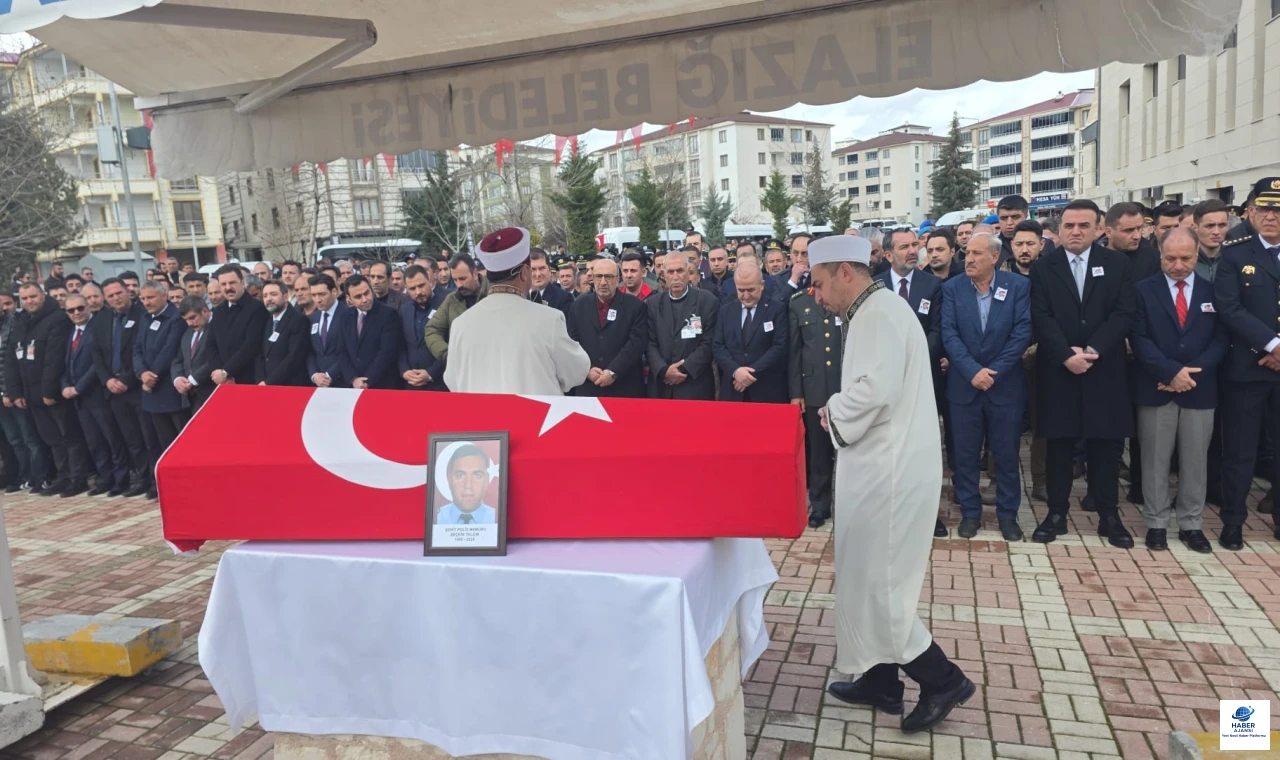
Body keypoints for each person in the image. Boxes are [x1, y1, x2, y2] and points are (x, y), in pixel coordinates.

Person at [809, 234, 975, 733]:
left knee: (882, 586)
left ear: (844, 272)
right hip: (880, 464)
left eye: (818, 284)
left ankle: (943, 679)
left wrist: (832, 410)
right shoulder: (871, 309)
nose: (816, 296)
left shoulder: (878, 313)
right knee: (864, 575)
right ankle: (880, 682)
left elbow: (875, 390)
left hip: (892, 471)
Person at [1029, 199, 1136, 548]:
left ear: (1099, 229)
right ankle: (1056, 514)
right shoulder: (1045, 267)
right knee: (1058, 444)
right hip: (1058, 370)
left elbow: (1123, 314)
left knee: (1105, 446)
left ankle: (1109, 515)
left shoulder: (1116, 264)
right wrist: (1064, 354)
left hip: (1103, 369)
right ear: (1059, 230)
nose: (1076, 232)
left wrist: (1092, 351)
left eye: (1084, 226)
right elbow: (1040, 316)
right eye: (1069, 226)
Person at [1129, 228, 1227, 553]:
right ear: (1160, 255)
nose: (1178, 265)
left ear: (1198, 256)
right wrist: (1170, 372)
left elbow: (1220, 340)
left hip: (1199, 389)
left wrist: (1190, 374)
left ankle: (1191, 524)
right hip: (1156, 387)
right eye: (1171, 258)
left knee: (1196, 461)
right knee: (1154, 460)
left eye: (1186, 258)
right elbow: (1138, 338)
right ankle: (1156, 522)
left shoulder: (1214, 292)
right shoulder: (1143, 291)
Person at [940, 233, 1032, 541]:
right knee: (965, 456)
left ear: (994, 258)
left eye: (977, 254)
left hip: (1003, 385)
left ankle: (1008, 515)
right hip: (965, 387)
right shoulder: (952, 288)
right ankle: (970, 513)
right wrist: (972, 371)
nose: (969, 259)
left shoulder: (1018, 287)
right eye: (967, 253)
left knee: (1005, 455)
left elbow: (1022, 332)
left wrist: (993, 371)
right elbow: (949, 333)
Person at [1212, 177, 1280, 550]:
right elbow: (1229, 307)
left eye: (1278, 209)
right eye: (1265, 208)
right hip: (1247, 368)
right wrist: (1271, 345)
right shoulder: (1234, 253)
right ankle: (1233, 520)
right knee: (1240, 450)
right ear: (1251, 212)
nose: (1272, 216)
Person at [444, 228, 589, 395]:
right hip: (535, 419)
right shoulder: (549, 319)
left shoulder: (461, 323)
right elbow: (577, 371)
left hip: (481, 420)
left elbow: (453, 381)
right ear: (524, 273)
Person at [7, 283, 89, 497]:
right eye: (25, 298)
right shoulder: (22, 322)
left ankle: (77, 478)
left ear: (42, 295)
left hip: (52, 394)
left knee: (69, 436)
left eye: (33, 296)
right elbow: (12, 359)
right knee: (51, 439)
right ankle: (63, 476)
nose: (29, 301)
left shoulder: (58, 319)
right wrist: (15, 392)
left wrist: (49, 391)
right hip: (31, 395)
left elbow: (54, 359)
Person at [788, 274, 842, 528]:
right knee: (818, 453)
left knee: (847, 451)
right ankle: (820, 506)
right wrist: (796, 392)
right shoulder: (798, 303)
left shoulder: (845, 298)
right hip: (814, 388)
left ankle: (846, 504)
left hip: (844, 386)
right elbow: (795, 351)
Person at [60, 294, 128, 497]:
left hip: (97, 393)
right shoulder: (71, 332)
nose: (76, 313)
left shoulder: (97, 328)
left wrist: (79, 387)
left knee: (111, 438)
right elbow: (67, 363)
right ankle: (104, 478)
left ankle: (121, 480)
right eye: (71, 310)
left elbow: (96, 364)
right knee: (94, 441)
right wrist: (65, 385)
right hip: (80, 399)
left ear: (88, 306)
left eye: (80, 308)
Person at [133, 281, 187, 499]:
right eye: (143, 299)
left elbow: (170, 350)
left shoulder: (176, 318)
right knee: (160, 442)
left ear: (164, 296)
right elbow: (136, 349)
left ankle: (186, 484)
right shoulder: (145, 319)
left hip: (169, 389)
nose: (146, 303)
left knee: (179, 441)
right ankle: (168, 485)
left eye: (151, 298)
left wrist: (152, 374)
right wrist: (141, 373)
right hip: (150, 390)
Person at [566, 258, 648, 398]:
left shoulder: (636, 307)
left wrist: (613, 372)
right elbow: (571, 343)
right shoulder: (578, 306)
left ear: (617, 279)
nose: (603, 282)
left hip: (624, 387)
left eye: (608, 277)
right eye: (598, 276)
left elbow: (635, 344)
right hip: (588, 387)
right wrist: (588, 370)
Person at [646, 251, 720, 401]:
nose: (675, 276)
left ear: (688, 272)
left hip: (695, 385)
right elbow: (649, 342)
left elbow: (709, 342)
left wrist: (682, 370)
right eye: (670, 272)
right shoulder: (653, 303)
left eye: (680, 271)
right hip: (662, 385)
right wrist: (664, 370)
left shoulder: (707, 301)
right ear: (663, 275)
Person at [712, 262, 788, 403]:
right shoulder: (726, 310)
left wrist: (748, 374)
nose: (746, 295)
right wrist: (736, 372)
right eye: (741, 290)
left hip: (766, 389)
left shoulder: (776, 309)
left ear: (762, 285)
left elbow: (779, 346)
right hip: (733, 389)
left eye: (751, 289)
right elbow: (718, 346)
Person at [330, 275, 403, 390]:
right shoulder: (345, 317)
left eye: (366, 293)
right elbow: (342, 351)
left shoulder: (388, 314)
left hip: (382, 385)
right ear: (349, 299)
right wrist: (353, 378)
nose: (364, 299)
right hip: (354, 386)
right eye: (358, 296)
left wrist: (368, 380)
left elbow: (386, 352)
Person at [205, 265, 269, 386]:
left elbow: (251, 345)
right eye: (223, 284)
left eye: (232, 282)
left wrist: (226, 372)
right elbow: (210, 345)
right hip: (222, 382)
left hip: (248, 379)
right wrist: (218, 373)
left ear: (242, 283)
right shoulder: (218, 311)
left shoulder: (257, 308)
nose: (228, 288)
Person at [425, 253, 489, 366]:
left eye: (463, 279)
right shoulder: (452, 300)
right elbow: (432, 329)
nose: (459, 285)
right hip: (463, 368)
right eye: (455, 280)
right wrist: (448, 354)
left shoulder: (495, 294)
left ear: (475, 273)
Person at [398, 265, 448, 392]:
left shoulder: (446, 304)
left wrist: (430, 373)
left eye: (421, 285)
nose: (418, 292)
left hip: (441, 384)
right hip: (412, 386)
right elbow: (400, 345)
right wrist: (404, 370)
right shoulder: (404, 310)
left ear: (430, 282)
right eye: (412, 288)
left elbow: (452, 345)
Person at [256, 280, 312, 387]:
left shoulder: (299, 320)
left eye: (273, 294)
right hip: (265, 384)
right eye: (265, 295)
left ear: (285, 297)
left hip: (290, 385)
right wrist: (261, 380)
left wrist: (269, 382)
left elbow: (294, 357)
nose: (269, 299)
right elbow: (261, 354)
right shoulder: (266, 320)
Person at [171, 296, 217, 413]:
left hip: (212, 393)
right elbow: (178, 358)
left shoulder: (218, 328)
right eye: (186, 319)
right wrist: (177, 379)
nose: (190, 323)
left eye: (192, 318)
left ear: (205, 311)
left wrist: (193, 379)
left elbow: (216, 358)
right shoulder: (188, 332)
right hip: (191, 398)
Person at [435, 444, 497, 524]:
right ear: (449, 480)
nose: (468, 486)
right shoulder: (437, 518)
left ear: (487, 480)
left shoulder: (496, 517)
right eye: (459, 475)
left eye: (477, 475)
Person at [307, 274, 349, 388]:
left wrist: (330, 375)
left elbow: (350, 351)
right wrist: (314, 374)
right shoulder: (313, 318)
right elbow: (310, 350)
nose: (318, 300)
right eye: (314, 295)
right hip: (318, 384)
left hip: (343, 382)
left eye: (322, 294)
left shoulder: (349, 315)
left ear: (334, 292)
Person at [527, 248, 574, 316]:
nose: (538, 274)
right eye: (533, 269)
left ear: (549, 270)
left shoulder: (564, 298)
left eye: (542, 268)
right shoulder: (518, 296)